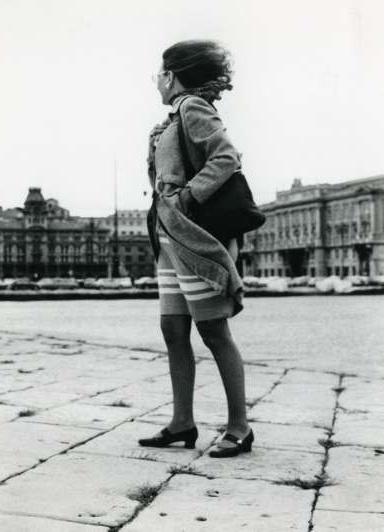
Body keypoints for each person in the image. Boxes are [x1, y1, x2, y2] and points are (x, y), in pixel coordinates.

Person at [138, 39, 253, 458]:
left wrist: (188, 196)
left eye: (159, 74)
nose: (156, 81)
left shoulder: (193, 108)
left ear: (171, 76)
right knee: (173, 329)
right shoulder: (173, 118)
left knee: (213, 330)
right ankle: (182, 423)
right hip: (170, 237)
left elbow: (225, 158)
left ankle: (239, 428)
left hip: (192, 235)